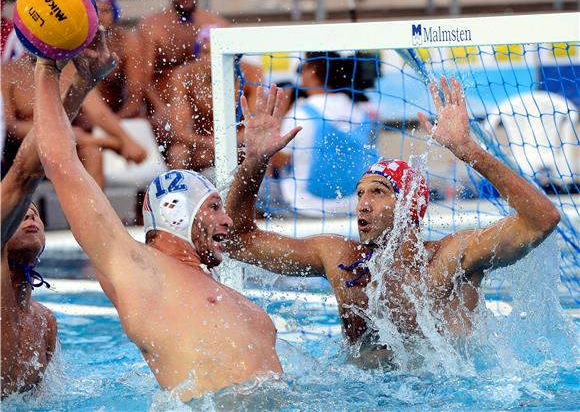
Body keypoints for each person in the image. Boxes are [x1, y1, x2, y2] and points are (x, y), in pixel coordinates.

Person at [226, 80, 561, 364]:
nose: (363, 205)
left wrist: (467, 150)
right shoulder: (340, 258)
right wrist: (255, 161)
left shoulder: (451, 258)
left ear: (410, 205)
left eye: (378, 192)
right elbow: (236, 240)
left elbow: (541, 220)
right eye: (359, 194)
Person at [33, 29, 282, 401]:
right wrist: (47, 66)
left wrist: (256, 160)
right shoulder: (139, 269)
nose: (227, 221)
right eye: (214, 207)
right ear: (175, 212)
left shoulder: (224, 291)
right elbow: (61, 163)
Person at [1, 44, 110, 397]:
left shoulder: (44, 323)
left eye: (33, 214)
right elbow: (27, 169)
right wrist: (76, 82)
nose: (30, 215)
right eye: (21, 214)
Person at [1, 55, 146, 186]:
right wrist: (54, 132)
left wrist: (127, 140)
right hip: (25, 152)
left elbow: (99, 113)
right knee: (68, 134)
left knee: (92, 154)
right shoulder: (7, 73)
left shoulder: (70, 68)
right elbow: (10, 127)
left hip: (69, 143)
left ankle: (92, 215)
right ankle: (109, 143)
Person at [276, 52, 377, 216]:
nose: (300, 73)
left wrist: (277, 118)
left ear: (313, 72)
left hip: (306, 207)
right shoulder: (360, 109)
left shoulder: (299, 113)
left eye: (303, 68)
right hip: (354, 205)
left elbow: (279, 161)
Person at [138, 0, 229, 142]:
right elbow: (144, 78)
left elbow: (230, 72)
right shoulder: (152, 26)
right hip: (165, 102)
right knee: (176, 144)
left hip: (204, 104)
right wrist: (160, 108)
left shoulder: (217, 24)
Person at [167, 24, 261, 172]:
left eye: (217, 53)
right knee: (178, 153)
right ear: (197, 54)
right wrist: (208, 143)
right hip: (201, 144)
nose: (212, 60)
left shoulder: (251, 73)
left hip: (238, 143)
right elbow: (179, 130)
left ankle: (257, 193)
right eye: (205, 52)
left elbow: (255, 125)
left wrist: (227, 143)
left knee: (259, 150)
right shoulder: (184, 76)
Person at [92, 0, 143, 118]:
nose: (100, 17)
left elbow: (135, 96)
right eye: (94, 11)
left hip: (115, 116)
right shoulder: (76, 44)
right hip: (80, 119)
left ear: (114, 13)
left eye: (105, 11)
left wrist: (114, 123)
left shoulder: (126, 42)